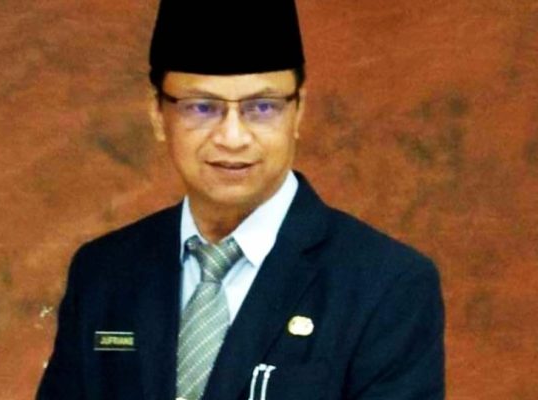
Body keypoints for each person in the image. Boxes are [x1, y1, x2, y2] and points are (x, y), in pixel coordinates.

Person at [36, 0, 445, 399]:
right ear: (158, 115)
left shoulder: (386, 285)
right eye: (202, 107)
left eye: (262, 107)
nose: (232, 138)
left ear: (299, 111)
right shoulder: (104, 273)